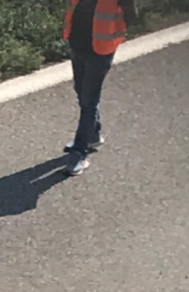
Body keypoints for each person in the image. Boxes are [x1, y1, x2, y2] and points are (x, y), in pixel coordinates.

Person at [62, 0, 139, 176]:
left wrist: (115, 33)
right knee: (81, 91)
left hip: (100, 52)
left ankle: (79, 153)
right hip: (78, 45)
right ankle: (94, 135)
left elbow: (132, 17)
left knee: (89, 101)